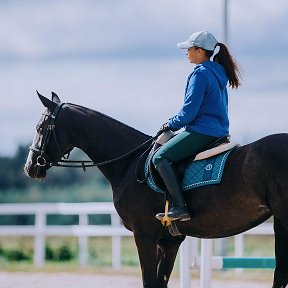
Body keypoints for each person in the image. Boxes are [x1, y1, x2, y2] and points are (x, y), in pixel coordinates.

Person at [152, 31, 241, 222]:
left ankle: (180, 207)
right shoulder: (218, 72)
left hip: (201, 131)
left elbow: (188, 114)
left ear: (200, 51)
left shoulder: (200, 74)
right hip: (219, 131)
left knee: (160, 157)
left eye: (189, 49)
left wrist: (169, 123)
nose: (187, 52)